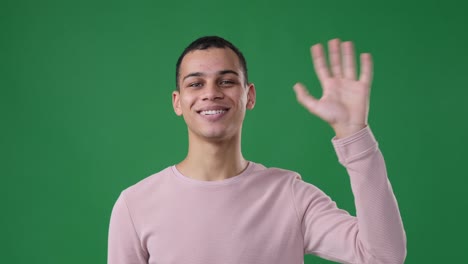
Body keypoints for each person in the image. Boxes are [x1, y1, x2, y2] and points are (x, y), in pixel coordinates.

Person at [107, 36, 406, 264]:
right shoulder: (135, 205)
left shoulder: (289, 194)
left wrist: (354, 135)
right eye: (196, 84)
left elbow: (383, 256)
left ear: (249, 96)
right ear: (177, 102)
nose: (211, 93)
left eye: (226, 81)